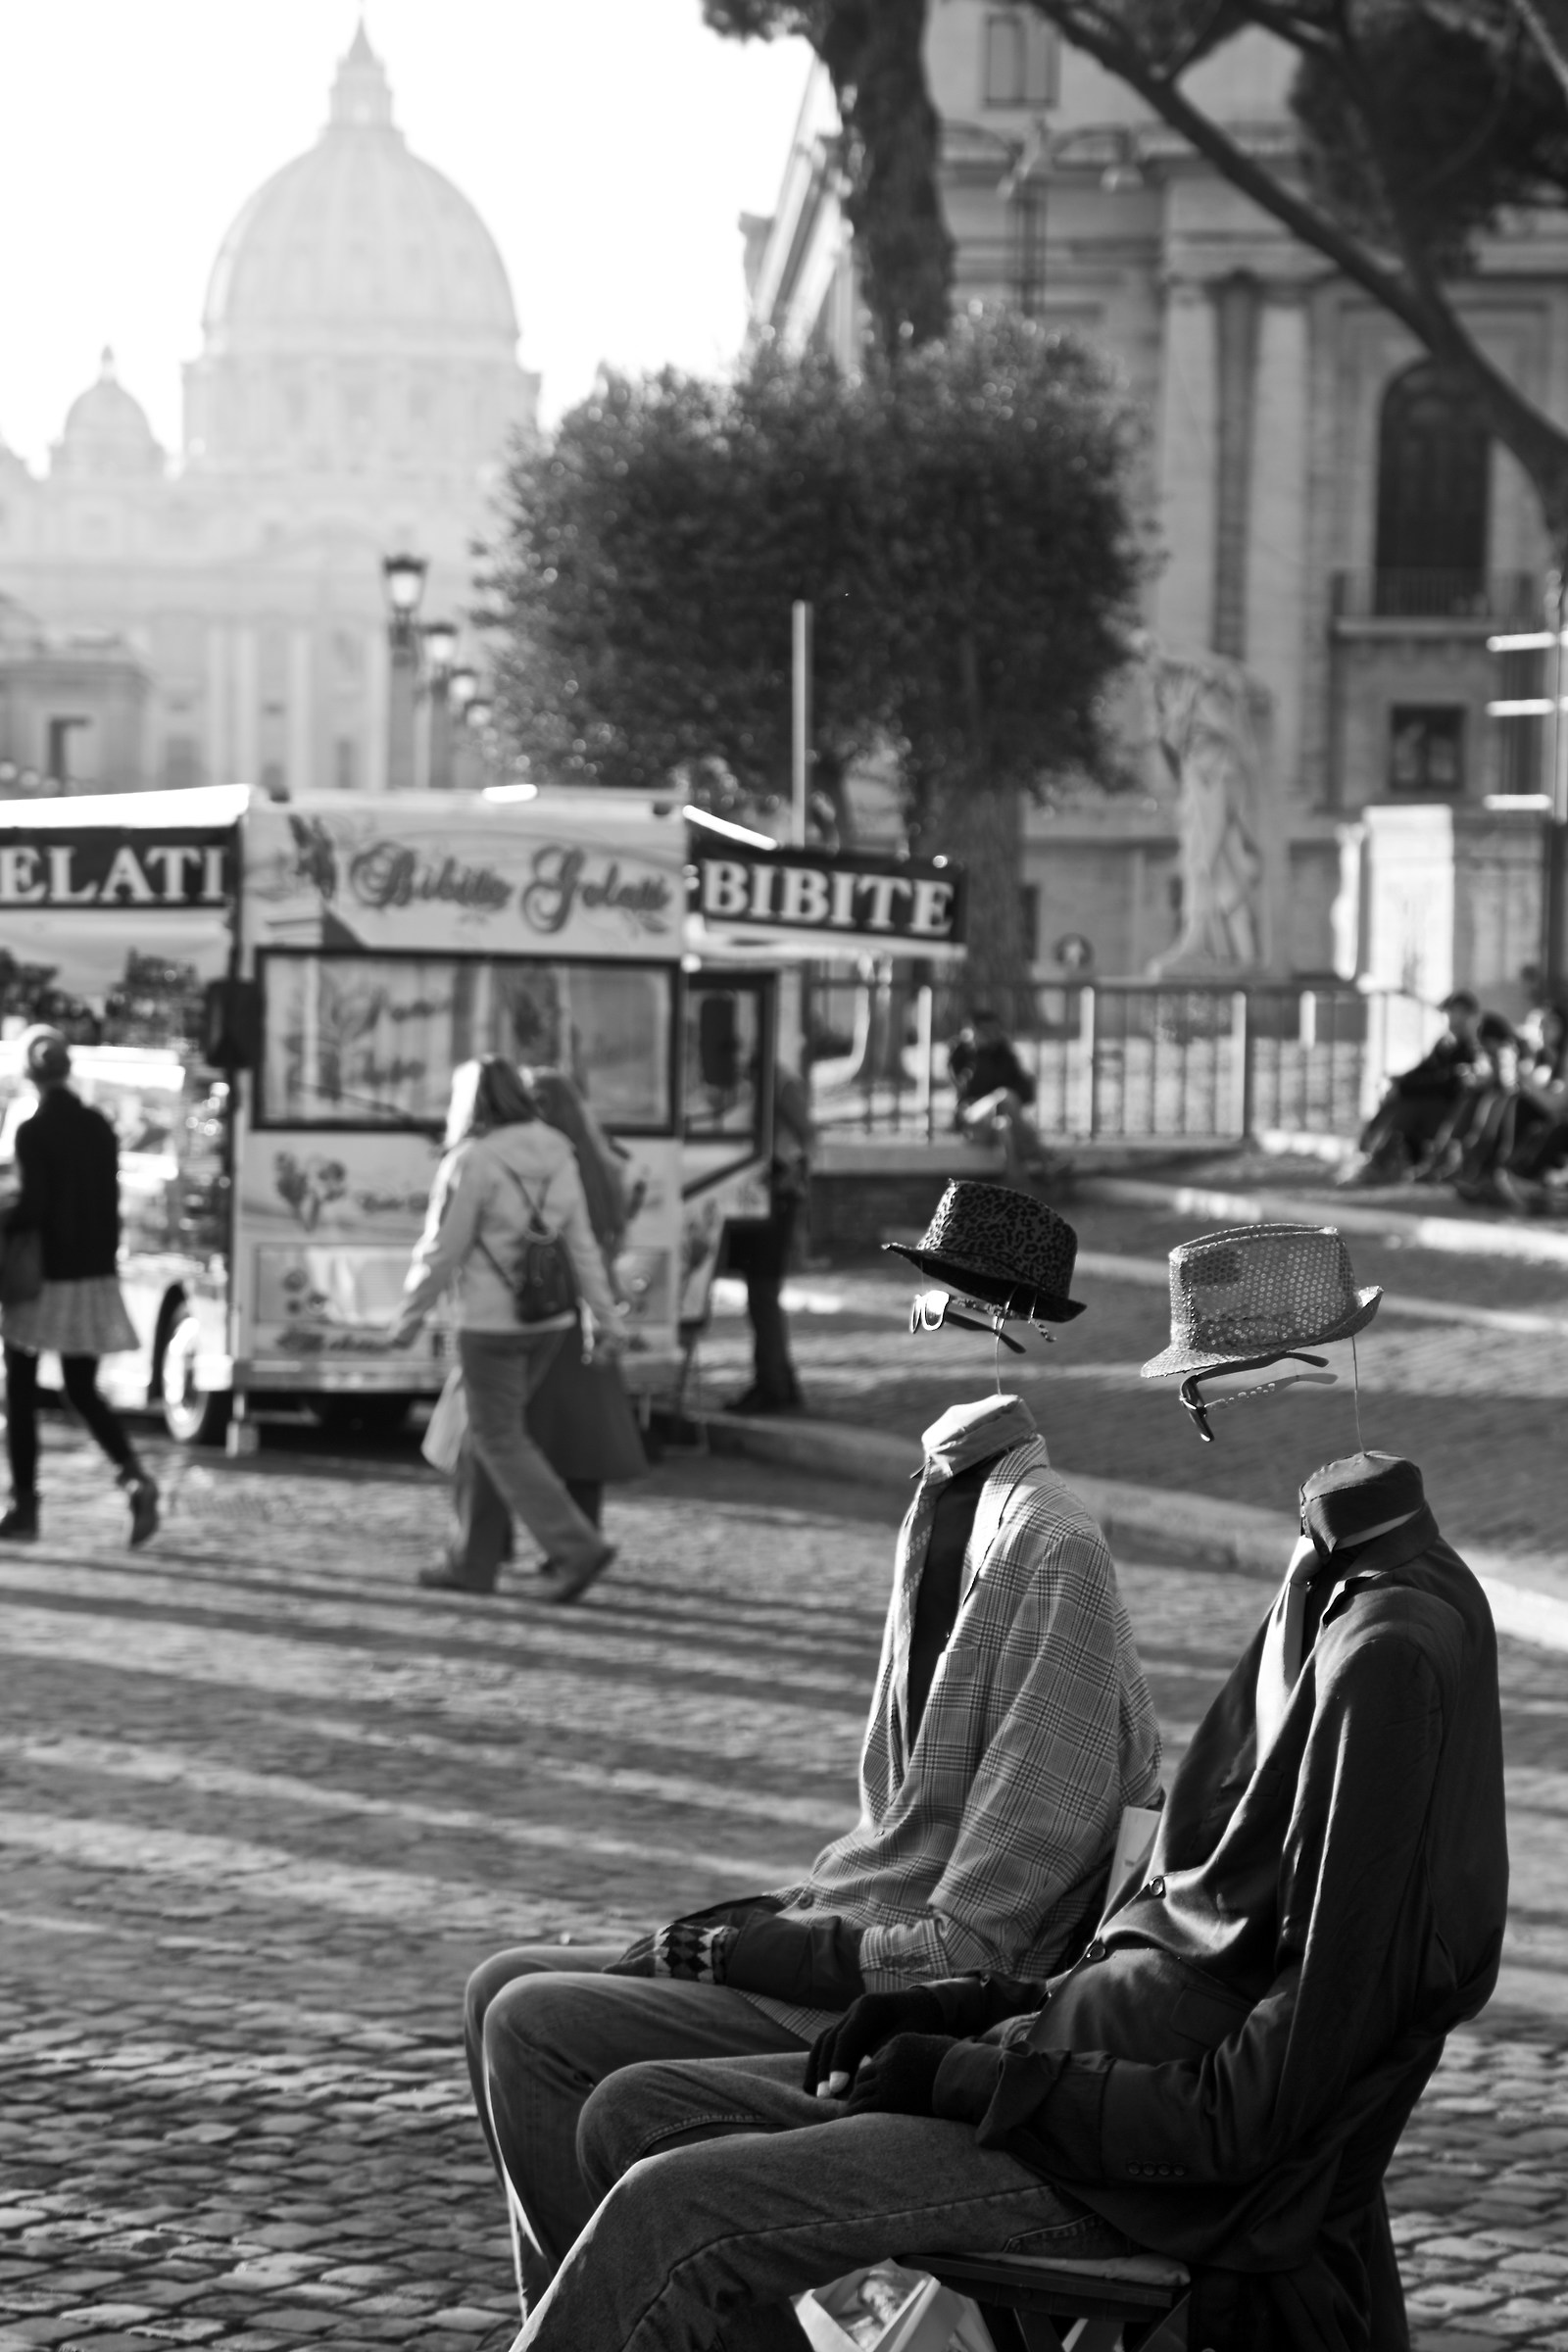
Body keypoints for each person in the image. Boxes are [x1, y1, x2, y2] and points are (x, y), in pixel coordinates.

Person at [516, 1301, 1504, 2352]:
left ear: (1276, 1377)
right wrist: (955, 2011)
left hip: (1123, 2173)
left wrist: (965, 2071)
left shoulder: (1384, 1654)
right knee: (628, 2112)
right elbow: (1162, 1950)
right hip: (1056, 2058)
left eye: (1200, 1387)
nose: (1187, 1415)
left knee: (669, 2204)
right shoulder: (1331, 1583)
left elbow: (1256, 2103)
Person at [466, 1187, 1161, 2320]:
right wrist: (754, 1926)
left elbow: (977, 1936)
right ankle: (601, 2322)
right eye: (926, 1293)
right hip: (842, 1924)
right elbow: (890, 1838)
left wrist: (761, 1951)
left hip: (908, 1991)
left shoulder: (1053, 1551)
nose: (917, 1319)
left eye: (946, 1301)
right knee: (499, 1986)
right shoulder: (945, 1499)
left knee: (529, 2025)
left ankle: (620, 2326)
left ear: (1009, 1329)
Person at [391, 1055, 623, 1603]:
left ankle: (575, 1546)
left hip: (490, 1324)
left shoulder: (471, 1159)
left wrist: (409, 1315)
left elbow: (442, 1249)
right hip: (550, 1320)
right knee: (483, 1437)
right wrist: (604, 1318)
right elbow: (582, 1247)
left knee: (498, 1438)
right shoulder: (559, 1150)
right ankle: (471, 1561)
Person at [444, 1066, 647, 1590]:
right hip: (573, 1315)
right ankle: (554, 1544)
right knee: (577, 1442)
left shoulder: (513, 1161)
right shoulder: (601, 1166)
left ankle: (497, 1551)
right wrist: (605, 1316)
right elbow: (596, 1248)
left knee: (494, 1438)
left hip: (531, 1315)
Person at [0, 1026, 160, 1547]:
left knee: (20, 1389)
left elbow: (36, 1207)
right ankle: (133, 1475)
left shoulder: (33, 1130)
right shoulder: (98, 1125)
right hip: (93, 1274)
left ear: (29, 1074)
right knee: (81, 1388)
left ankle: (24, 1505)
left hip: (44, 1278)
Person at [722, 1061, 813, 1415]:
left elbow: (807, 1134)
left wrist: (792, 1177)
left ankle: (772, 1385)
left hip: (775, 1190)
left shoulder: (779, 1080)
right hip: (761, 1188)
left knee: (763, 1293)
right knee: (760, 1294)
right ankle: (781, 1381)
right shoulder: (753, 1078)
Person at [1343, 989, 1486, 1184]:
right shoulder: (1444, 1044)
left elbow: (1446, 1083)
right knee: (1396, 1101)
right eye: (1452, 1012)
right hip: (1428, 1108)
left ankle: (1374, 1162)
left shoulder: (1473, 1050)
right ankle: (1366, 1155)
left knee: (1405, 1108)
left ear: (1472, 1017)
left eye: (1462, 1013)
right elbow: (1421, 1071)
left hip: (1449, 1114)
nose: (1455, 1019)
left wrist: (1404, 1087)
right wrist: (1396, 1081)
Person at [948, 1008, 1063, 1193]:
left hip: (998, 1117)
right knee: (1004, 1096)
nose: (989, 1035)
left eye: (992, 1030)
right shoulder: (961, 1053)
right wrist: (980, 1054)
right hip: (971, 1117)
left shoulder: (1003, 1054)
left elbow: (1025, 1094)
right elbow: (968, 1089)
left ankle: (1017, 1184)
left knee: (1005, 1126)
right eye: (983, 1031)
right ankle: (1045, 1158)